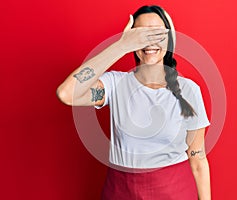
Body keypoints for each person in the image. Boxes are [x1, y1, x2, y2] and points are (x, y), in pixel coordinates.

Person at [57, 5, 211, 200]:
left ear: (169, 39)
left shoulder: (189, 91)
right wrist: (120, 46)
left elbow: (198, 161)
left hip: (174, 191)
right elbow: (66, 93)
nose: (149, 41)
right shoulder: (115, 84)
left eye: (156, 33)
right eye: (140, 34)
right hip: (120, 191)